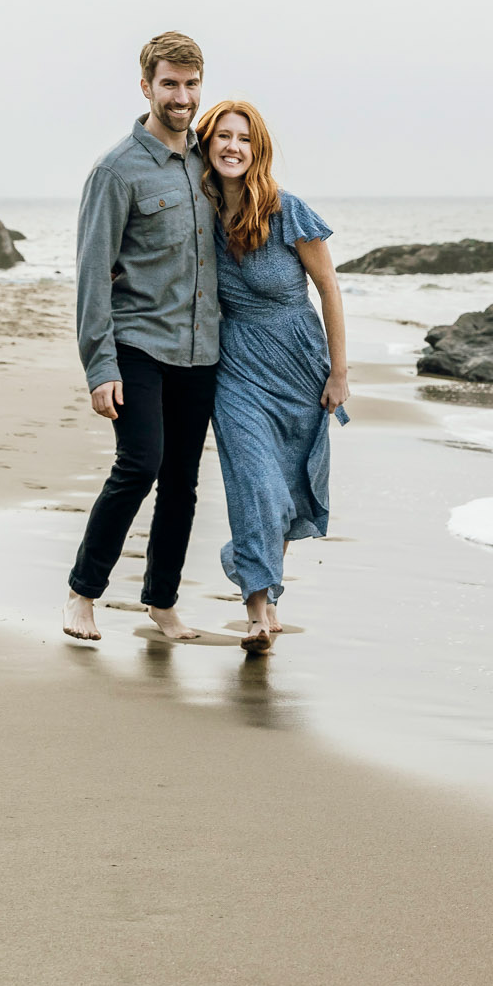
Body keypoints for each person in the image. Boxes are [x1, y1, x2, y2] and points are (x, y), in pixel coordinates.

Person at [63, 33, 222, 642]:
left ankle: (161, 604)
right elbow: (92, 274)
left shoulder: (211, 160)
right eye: (169, 84)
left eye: (190, 84)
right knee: (140, 464)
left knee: (182, 480)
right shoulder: (115, 170)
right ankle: (83, 592)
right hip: (137, 343)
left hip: (202, 348)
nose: (181, 97)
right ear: (146, 86)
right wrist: (99, 367)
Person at [195, 99, 348, 654]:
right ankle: (257, 612)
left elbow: (329, 288)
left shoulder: (288, 210)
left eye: (245, 139)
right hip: (236, 367)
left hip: (299, 364)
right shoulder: (198, 214)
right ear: (207, 145)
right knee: (255, 485)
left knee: (283, 494)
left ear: (257, 150)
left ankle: (270, 596)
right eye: (223, 137)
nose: (233, 147)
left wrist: (338, 371)